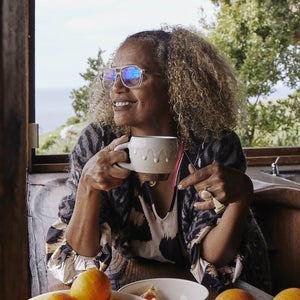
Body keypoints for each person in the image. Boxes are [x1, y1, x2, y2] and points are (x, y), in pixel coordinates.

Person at [46, 26, 271, 294]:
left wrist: (241, 198)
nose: (116, 87)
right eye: (112, 75)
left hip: (225, 292)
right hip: (138, 287)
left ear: (175, 85)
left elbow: (214, 261)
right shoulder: (98, 142)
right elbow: (77, 259)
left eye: (131, 75)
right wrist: (87, 186)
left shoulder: (214, 145)